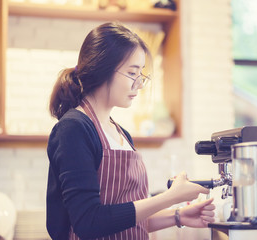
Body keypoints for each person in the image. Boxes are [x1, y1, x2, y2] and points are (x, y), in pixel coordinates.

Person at [46, 22, 215, 240]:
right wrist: (170, 197)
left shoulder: (121, 133)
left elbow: (125, 220)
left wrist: (178, 216)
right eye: (132, 73)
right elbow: (89, 222)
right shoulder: (74, 129)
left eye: (141, 74)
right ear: (101, 68)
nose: (139, 84)